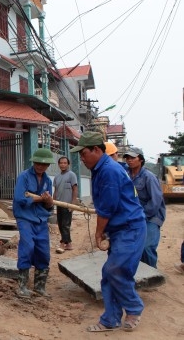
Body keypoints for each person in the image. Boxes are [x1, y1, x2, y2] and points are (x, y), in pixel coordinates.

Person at [70, 131, 146, 332]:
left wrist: (98, 233)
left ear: (96, 150)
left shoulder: (109, 171)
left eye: (83, 153)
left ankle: (134, 307)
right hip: (120, 229)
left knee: (115, 270)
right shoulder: (100, 169)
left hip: (130, 228)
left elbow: (107, 208)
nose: (82, 158)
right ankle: (110, 319)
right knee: (109, 273)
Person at [12, 147, 55, 298]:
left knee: (43, 251)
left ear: (48, 165)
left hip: (41, 219)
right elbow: (20, 198)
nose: (40, 166)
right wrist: (38, 198)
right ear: (33, 162)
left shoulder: (47, 181)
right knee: (28, 246)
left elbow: (48, 205)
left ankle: (39, 287)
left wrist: (48, 201)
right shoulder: (24, 177)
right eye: (38, 163)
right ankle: (22, 286)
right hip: (25, 217)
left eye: (44, 164)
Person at [123, 147, 166, 268]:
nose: (129, 160)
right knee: (132, 247)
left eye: (133, 158)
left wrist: (141, 215)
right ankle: (141, 272)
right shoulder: (126, 176)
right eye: (127, 158)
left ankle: (152, 273)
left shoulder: (149, 177)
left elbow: (155, 201)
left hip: (151, 216)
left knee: (146, 247)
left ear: (141, 160)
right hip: (135, 216)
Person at [54, 156, 79, 251]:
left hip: (68, 205)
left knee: (65, 225)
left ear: (68, 164)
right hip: (59, 204)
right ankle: (69, 244)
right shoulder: (57, 177)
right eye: (61, 163)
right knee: (61, 224)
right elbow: (56, 191)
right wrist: (53, 202)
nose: (63, 165)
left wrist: (73, 204)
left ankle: (62, 243)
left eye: (65, 163)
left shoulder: (72, 175)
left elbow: (75, 189)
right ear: (58, 164)